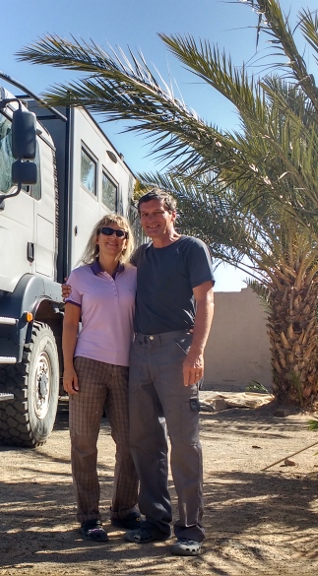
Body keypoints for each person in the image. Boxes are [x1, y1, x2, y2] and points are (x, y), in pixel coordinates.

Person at [124, 188, 214, 556]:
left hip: (177, 350)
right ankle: (156, 520)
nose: (149, 220)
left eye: (156, 213)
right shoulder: (141, 256)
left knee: (184, 442)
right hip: (139, 351)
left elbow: (205, 299)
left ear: (172, 214)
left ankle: (190, 529)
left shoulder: (191, 248)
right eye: (144, 215)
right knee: (145, 441)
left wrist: (196, 352)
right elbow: (111, 279)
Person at [61, 214, 142, 543]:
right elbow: (70, 324)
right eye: (107, 231)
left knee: (130, 442)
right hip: (88, 365)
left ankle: (124, 510)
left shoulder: (136, 276)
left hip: (127, 368)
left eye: (120, 233)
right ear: (97, 237)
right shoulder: (79, 277)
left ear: (126, 241)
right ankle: (89, 517)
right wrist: (68, 367)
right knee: (83, 443)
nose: (113, 237)